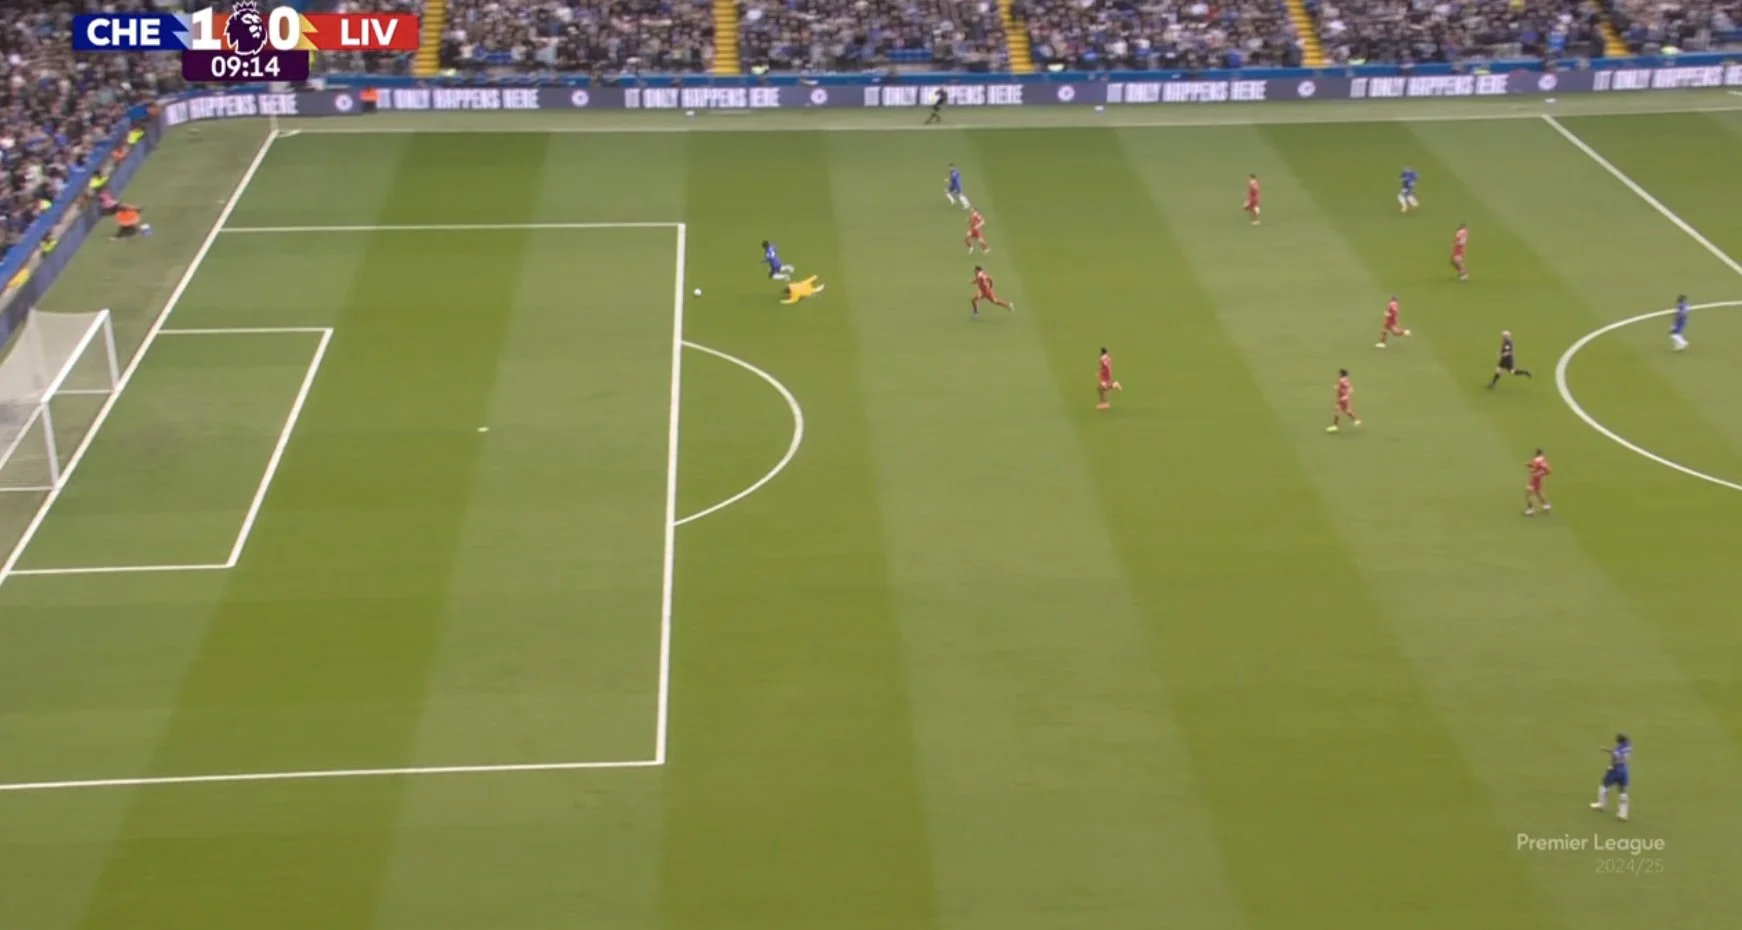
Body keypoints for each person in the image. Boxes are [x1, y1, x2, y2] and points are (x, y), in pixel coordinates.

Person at [1591, 733, 1630, 821]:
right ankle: (1623, 814)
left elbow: (1615, 756)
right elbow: (1616, 752)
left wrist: (1610, 767)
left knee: (1604, 785)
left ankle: (1602, 805)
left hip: (1616, 769)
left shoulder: (1618, 748)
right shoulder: (1628, 746)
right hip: (1624, 769)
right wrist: (1606, 749)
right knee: (1622, 790)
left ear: (1618, 741)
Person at [1524, 448, 1552, 516]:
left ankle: (1530, 510)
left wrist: (1530, 469)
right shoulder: (1543, 458)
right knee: (1538, 492)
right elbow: (1547, 470)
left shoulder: (1536, 460)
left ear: (1537, 453)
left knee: (1528, 492)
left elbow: (1533, 469)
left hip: (1535, 478)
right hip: (1539, 477)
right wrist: (1531, 465)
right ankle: (1546, 506)